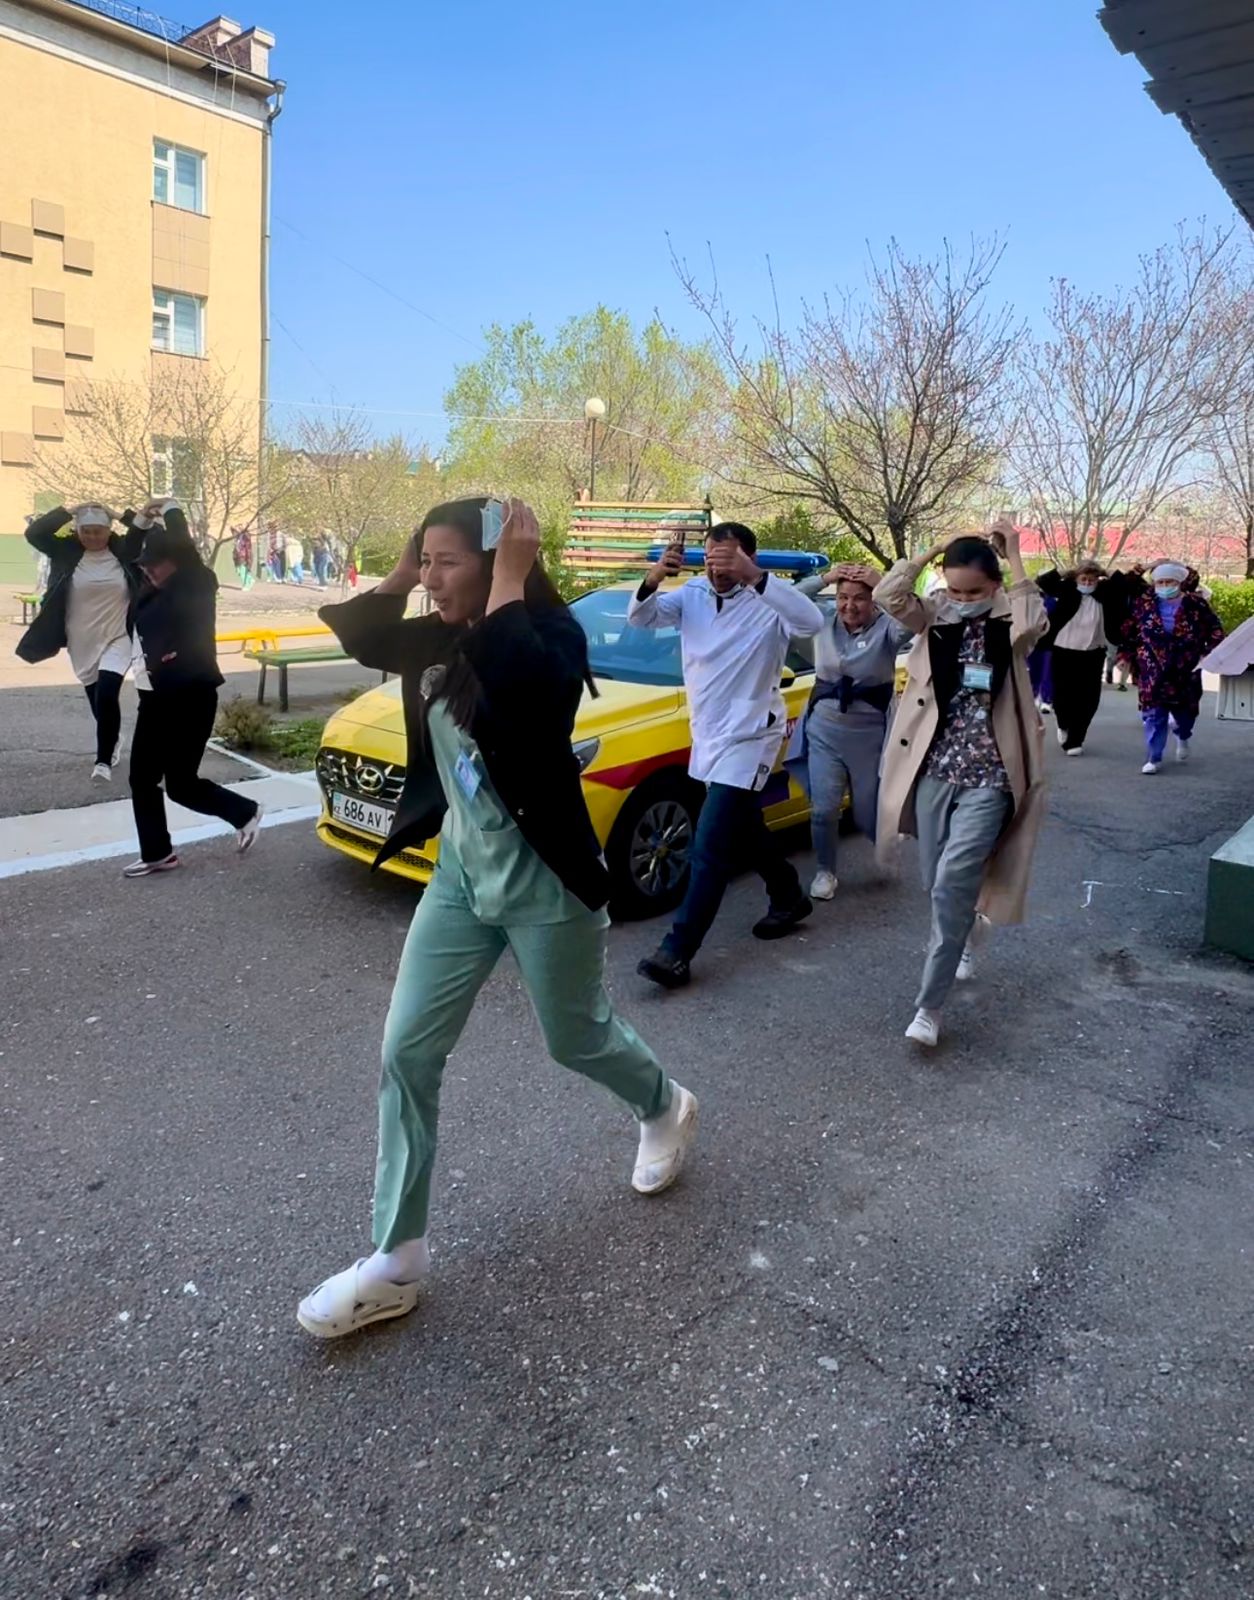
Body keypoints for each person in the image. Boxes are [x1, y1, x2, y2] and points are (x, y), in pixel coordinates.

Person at [298, 497, 696, 1340]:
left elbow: (529, 691)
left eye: (447, 562)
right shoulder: (435, 635)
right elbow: (360, 633)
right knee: (407, 1050)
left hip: (544, 883)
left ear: (495, 562)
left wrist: (511, 578)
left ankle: (664, 1105)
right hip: (458, 879)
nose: (432, 579)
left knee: (575, 1038)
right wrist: (404, 569)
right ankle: (396, 1261)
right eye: (426, 560)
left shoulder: (552, 637)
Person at [627, 523, 824, 990]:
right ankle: (788, 894)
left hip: (751, 734)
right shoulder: (692, 594)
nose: (717, 571)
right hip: (709, 732)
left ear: (749, 559)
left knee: (710, 845)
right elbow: (642, 618)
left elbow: (812, 623)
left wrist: (754, 577)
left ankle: (677, 951)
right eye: (711, 560)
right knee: (743, 825)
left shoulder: (770, 600)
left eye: (728, 561)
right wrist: (654, 578)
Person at [874, 520, 1047, 1048]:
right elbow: (887, 595)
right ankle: (970, 924)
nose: (964, 601)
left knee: (951, 881)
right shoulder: (935, 616)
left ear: (994, 586)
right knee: (936, 881)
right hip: (934, 767)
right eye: (955, 590)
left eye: (975, 592)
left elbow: (1034, 621)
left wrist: (1014, 556)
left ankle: (929, 1006)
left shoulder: (1009, 621)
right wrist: (932, 550)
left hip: (991, 775)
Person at [123, 500, 264, 877]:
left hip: (191, 696)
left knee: (181, 784)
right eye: (145, 565)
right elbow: (127, 556)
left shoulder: (196, 583)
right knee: (143, 779)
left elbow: (185, 547)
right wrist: (140, 520)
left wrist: (171, 509)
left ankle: (245, 812)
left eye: (156, 564)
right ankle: (158, 853)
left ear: (177, 561)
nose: (149, 570)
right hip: (153, 698)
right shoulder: (145, 591)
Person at [784, 560, 912, 899]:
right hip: (824, 729)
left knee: (868, 814)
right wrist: (826, 577)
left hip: (870, 735)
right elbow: (789, 601)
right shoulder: (822, 622)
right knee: (823, 808)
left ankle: (886, 843)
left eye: (859, 598)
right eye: (843, 597)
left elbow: (914, 617)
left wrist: (883, 583)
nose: (849, 606)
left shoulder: (888, 629)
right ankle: (825, 871)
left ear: (873, 601)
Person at [16, 500, 145, 781]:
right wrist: (69, 510)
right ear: (78, 530)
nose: (92, 537)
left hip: (118, 635)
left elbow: (149, 532)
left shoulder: (124, 550)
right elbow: (34, 533)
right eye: (86, 531)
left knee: (107, 693)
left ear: (109, 530)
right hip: (81, 637)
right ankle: (112, 737)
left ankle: (103, 762)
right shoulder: (64, 551)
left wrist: (119, 514)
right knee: (97, 700)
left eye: (98, 531)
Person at [1120, 560, 1224, 774]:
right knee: (1154, 714)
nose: (1165, 586)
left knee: (1185, 714)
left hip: (1186, 666)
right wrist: (1125, 656)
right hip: (1153, 667)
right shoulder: (1144, 604)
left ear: (1179, 583)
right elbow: (1130, 631)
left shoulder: (1196, 604)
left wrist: (1208, 652)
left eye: (1170, 582)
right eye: (1160, 582)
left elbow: (1215, 629)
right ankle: (1154, 757)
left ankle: (1183, 735)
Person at [1035, 559, 1127, 755]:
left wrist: (1105, 571)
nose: (1087, 583)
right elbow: (1042, 582)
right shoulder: (1066, 589)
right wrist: (1068, 570)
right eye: (1083, 579)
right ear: (1076, 578)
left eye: (1091, 579)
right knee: (1063, 695)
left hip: (1093, 652)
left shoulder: (1105, 592)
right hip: (1064, 649)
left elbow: (1125, 584)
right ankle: (1063, 724)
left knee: (1088, 698)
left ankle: (1076, 740)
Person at [232, 526, 254, 590]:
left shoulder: (245, 537)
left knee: (242, 571)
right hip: (238, 557)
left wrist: (248, 558)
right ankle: (250, 579)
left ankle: (246, 585)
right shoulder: (238, 537)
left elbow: (248, 548)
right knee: (239, 571)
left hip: (244, 556)